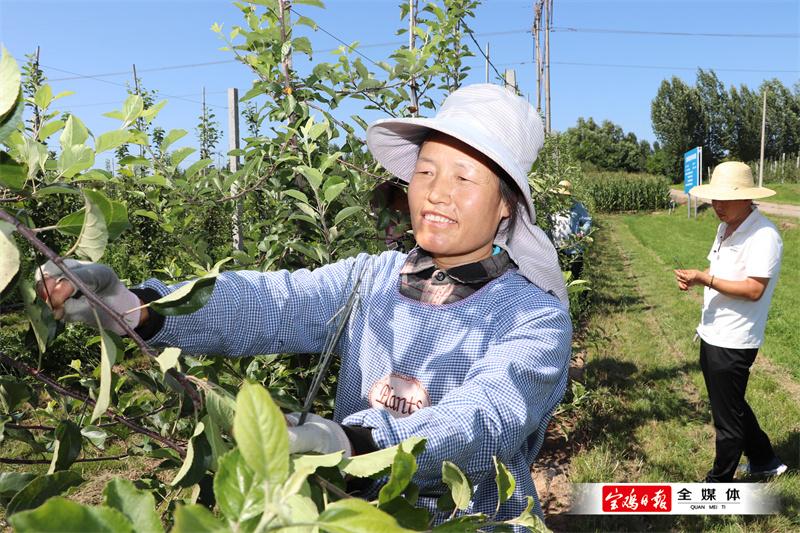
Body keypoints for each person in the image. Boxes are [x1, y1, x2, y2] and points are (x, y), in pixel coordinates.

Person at [36, 84, 572, 523]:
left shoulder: (535, 318)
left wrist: (354, 440)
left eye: (464, 177)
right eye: (426, 171)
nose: (436, 192)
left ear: (506, 205)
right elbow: (274, 303)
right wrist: (138, 306)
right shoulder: (373, 278)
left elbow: (486, 418)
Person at [674, 161, 787, 482]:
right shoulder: (726, 226)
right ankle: (765, 459)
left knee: (727, 420)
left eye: (725, 199)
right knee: (730, 404)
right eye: (714, 199)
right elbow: (723, 275)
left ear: (748, 198)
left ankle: (719, 483)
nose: (717, 206)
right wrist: (699, 278)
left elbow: (753, 289)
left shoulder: (764, 235)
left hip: (735, 338)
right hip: (712, 329)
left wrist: (704, 280)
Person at [549, 180, 592, 279]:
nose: (560, 197)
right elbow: (548, 227)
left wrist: (582, 232)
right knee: (558, 278)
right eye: (558, 194)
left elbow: (587, 221)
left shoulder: (577, 206)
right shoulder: (552, 207)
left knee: (574, 276)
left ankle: (577, 294)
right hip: (557, 249)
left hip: (574, 249)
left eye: (562, 194)